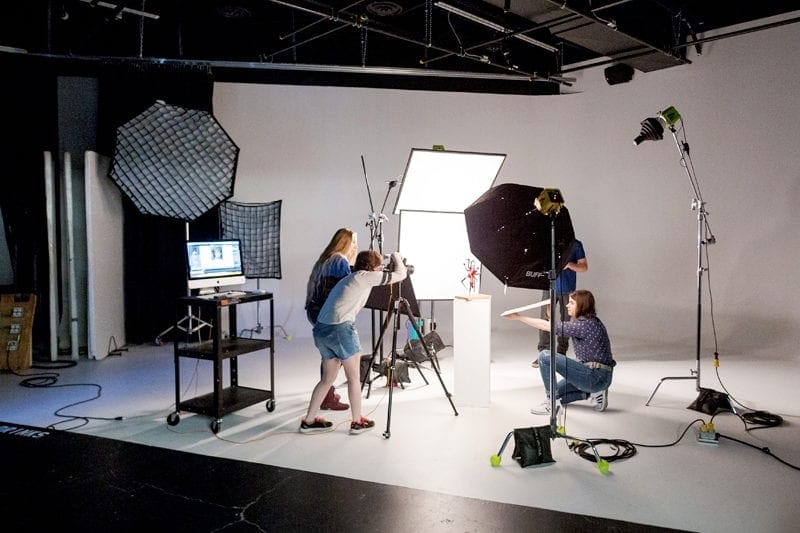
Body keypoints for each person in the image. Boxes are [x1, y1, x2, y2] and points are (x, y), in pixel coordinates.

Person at [300, 250, 407, 434]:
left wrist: (384, 262)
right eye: (379, 266)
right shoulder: (364, 277)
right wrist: (396, 256)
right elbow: (401, 275)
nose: (381, 269)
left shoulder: (352, 278)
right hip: (341, 329)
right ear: (372, 268)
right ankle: (357, 422)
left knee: (327, 379)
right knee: (354, 379)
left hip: (322, 329)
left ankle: (308, 421)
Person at [504, 289, 613, 414]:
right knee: (558, 393)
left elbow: (547, 327)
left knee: (545, 356)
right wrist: (550, 315)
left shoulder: (582, 326)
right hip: (598, 375)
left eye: (571, 303)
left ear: (581, 305)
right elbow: (558, 327)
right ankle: (593, 393)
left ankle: (552, 404)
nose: (567, 305)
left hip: (594, 376)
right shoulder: (591, 321)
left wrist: (519, 317)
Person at [305, 228, 359, 410]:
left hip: (314, 310)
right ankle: (328, 397)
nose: (355, 246)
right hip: (325, 313)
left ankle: (326, 393)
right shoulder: (339, 260)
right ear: (346, 243)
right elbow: (346, 288)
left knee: (328, 354)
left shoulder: (325, 259)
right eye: (353, 242)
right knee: (337, 354)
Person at [533, 239, 587, 366]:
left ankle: (561, 353)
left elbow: (584, 266)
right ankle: (543, 354)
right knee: (545, 319)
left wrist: (569, 265)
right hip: (549, 287)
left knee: (566, 321)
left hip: (567, 289)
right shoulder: (547, 242)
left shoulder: (575, 244)